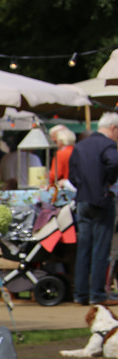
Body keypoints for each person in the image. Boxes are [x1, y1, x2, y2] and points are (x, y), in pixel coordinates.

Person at [67, 113, 118, 306]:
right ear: (113, 128)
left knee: (84, 250)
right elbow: (115, 162)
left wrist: (82, 186)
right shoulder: (108, 145)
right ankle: (97, 294)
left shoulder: (80, 146)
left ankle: (80, 294)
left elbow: (71, 175)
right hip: (101, 200)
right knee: (100, 250)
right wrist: (108, 182)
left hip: (83, 200)